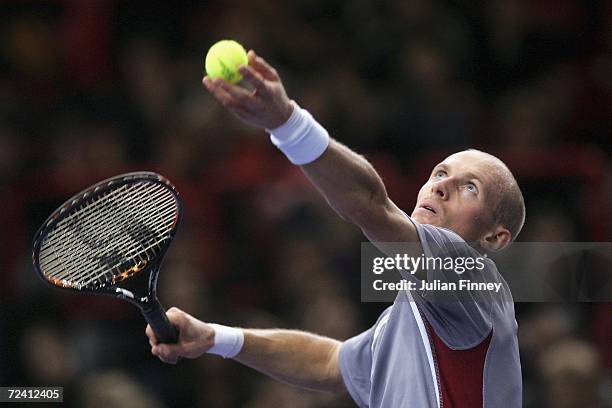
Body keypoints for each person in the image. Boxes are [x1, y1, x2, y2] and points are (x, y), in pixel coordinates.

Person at [146, 50, 526, 407]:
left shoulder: (474, 282)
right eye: (440, 173)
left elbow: (370, 206)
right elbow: (330, 362)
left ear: (494, 237)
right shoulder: (407, 317)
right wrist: (215, 337)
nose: (441, 186)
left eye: (469, 188)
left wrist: (287, 123)